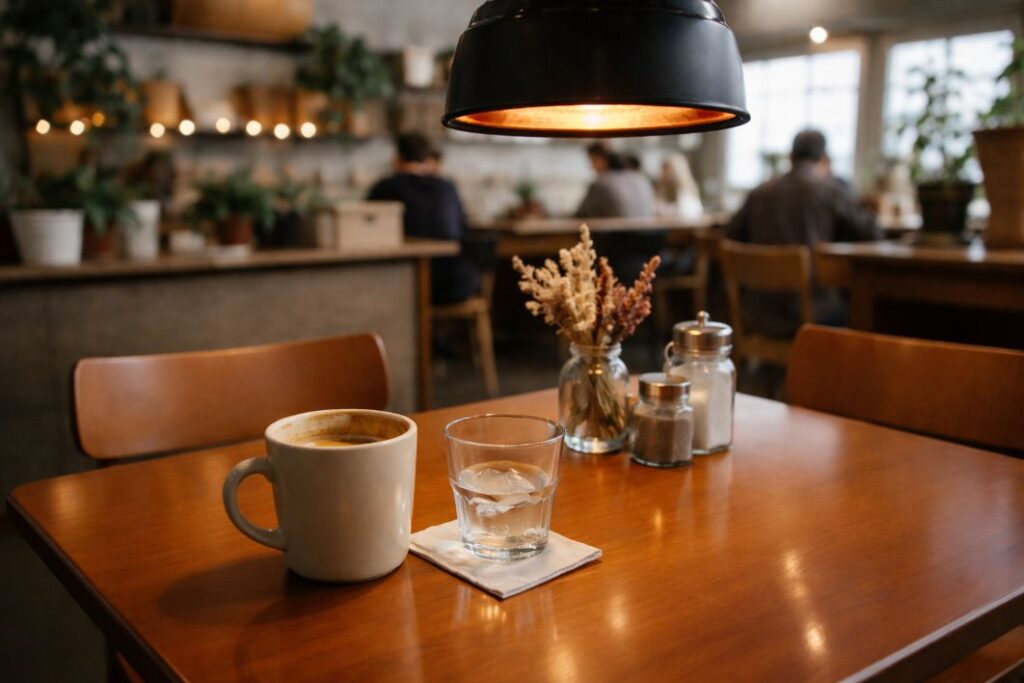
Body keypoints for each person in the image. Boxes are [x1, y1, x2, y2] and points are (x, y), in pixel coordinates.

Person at [726, 130, 880, 335]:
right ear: (824, 159)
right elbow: (872, 233)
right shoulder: (831, 190)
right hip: (814, 313)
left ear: (790, 157)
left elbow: (731, 232)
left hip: (759, 312)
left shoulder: (760, 192)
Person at [367, 133, 478, 305]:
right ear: (427, 159)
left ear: (397, 158)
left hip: (412, 285)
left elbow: (366, 230)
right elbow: (463, 226)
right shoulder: (447, 187)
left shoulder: (385, 188)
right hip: (459, 282)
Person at [575, 142, 655, 219]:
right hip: (648, 231)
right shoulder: (640, 179)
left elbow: (579, 215)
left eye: (592, 161)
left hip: (618, 232)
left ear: (602, 159)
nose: (591, 167)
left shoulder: (601, 183)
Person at [655, 152, 704, 220]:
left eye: (666, 170)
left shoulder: (686, 192)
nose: (662, 174)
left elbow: (684, 213)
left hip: (683, 227)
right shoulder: (663, 189)